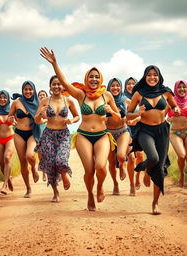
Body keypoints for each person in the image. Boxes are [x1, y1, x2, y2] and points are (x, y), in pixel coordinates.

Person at [40, 47, 120, 211]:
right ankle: (90, 194)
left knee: (101, 167)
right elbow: (64, 83)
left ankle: (100, 187)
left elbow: (119, 118)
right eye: (91, 76)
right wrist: (55, 64)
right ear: (86, 78)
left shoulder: (107, 96)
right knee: (89, 171)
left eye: (97, 77)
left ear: (100, 79)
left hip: (102, 135)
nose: (94, 79)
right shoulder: (80, 95)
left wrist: (111, 112)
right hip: (83, 135)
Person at [127, 65, 180, 215]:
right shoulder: (139, 93)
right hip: (145, 130)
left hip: (162, 131)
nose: (152, 77)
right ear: (145, 77)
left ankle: (155, 203)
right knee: (154, 157)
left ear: (159, 76)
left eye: (155, 74)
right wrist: (138, 112)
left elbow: (175, 107)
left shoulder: (166, 92)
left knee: (160, 168)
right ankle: (146, 168)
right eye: (149, 75)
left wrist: (175, 110)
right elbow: (128, 114)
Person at [34, 75, 80, 202]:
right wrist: (40, 113)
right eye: (54, 84)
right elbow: (37, 121)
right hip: (48, 134)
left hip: (64, 134)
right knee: (50, 164)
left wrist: (71, 120)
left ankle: (64, 175)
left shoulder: (68, 101)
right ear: (50, 86)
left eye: (59, 84)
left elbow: (77, 116)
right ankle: (55, 192)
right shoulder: (45, 101)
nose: (56, 86)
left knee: (60, 160)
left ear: (63, 86)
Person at [8, 81, 41, 198]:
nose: (28, 91)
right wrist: (11, 119)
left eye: (30, 89)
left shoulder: (38, 102)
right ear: (22, 90)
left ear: (34, 90)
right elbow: (10, 116)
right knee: (22, 161)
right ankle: (28, 188)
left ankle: (33, 168)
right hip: (19, 134)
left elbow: (43, 117)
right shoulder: (17, 102)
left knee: (30, 155)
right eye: (25, 89)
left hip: (32, 132)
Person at [106, 78, 130, 195]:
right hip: (108, 133)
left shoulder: (125, 100)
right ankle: (115, 184)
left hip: (123, 131)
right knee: (110, 161)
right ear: (108, 87)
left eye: (117, 86)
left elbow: (134, 109)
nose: (115, 88)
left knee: (121, 155)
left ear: (121, 87)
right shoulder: (104, 100)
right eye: (112, 86)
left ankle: (122, 165)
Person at [124, 77, 144, 194]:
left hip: (140, 128)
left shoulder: (142, 96)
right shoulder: (122, 98)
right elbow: (122, 114)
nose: (131, 85)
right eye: (129, 83)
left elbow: (145, 113)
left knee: (140, 156)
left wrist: (136, 119)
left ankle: (137, 177)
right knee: (131, 158)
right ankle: (131, 184)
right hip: (127, 129)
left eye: (133, 83)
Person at [37, 89, 48, 182]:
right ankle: (43, 172)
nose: (41, 96)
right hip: (38, 131)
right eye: (40, 95)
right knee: (40, 154)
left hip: (47, 131)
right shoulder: (36, 107)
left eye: (43, 95)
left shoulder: (49, 107)